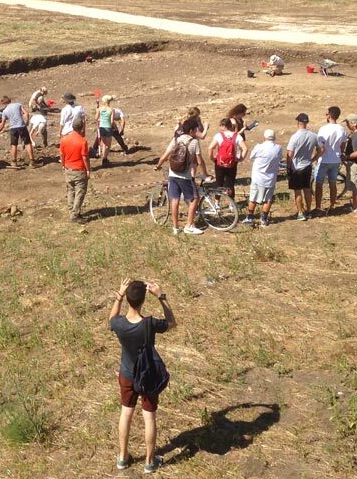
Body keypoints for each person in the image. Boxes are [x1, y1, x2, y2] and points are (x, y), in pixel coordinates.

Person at [109, 278, 176, 474]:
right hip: (148, 377)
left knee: (126, 413)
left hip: (127, 374)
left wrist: (119, 296)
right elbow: (172, 323)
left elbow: (111, 319)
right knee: (149, 418)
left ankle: (122, 457)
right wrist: (161, 296)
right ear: (143, 300)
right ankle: (149, 461)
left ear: (128, 299)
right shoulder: (149, 324)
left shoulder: (119, 324)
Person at [154, 118, 209, 235]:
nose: (196, 132)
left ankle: (176, 227)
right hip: (185, 176)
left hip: (172, 174)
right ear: (191, 130)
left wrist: (158, 166)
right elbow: (200, 161)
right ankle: (188, 226)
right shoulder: (194, 142)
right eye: (195, 130)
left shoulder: (176, 139)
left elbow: (164, 156)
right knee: (195, 199)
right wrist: (205, 173)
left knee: (175, 200)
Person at [244, 129, 283, 227]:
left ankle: (250, 217)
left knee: (253, 198)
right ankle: (264, 219)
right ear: (274, 138)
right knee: (268, 199)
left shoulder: (259, 147)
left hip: (258, 177)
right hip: (271, 178)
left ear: (264, 137)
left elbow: (252, 156)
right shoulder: (278, 148)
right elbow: (280, 158)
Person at [313, 106, 348, 216]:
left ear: (329, 115)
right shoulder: (342, 129)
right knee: (333, 183)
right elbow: (343, 144)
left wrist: (315, 157)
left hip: (324, 159)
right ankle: (332, 205)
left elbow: (320, 146)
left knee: (319, 184)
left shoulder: (323, 129)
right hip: (335, 160)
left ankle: (318, 206)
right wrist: (340, 152)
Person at [286, 113, 319, 221]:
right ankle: (308, 211)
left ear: (298, 123)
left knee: (297, 191)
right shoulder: (313, 136)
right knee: (307, 189)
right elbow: (321, 150)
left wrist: (288, 166)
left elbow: (290, 154)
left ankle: (300, 212)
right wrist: (313, 159)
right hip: (307, 165)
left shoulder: (295, 137)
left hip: (296, 167)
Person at [59, 116, 91, 222]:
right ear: (82, 128)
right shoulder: (82, 141)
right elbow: (85, 157)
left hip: (68, 169)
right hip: (79, 170)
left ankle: (72, 211)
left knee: (70, 191)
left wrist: (63, 165)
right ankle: (75, 214)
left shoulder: (64, 139)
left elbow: (61, 154)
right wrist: (88, 170)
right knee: (80, 192)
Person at [207, 118, 246, 198]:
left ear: (224, 126)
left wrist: (212, 158)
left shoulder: (218, 136)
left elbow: (210, 148)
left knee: (219, 183)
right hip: (232, 163)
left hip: (220, 163)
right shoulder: (237, 136)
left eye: (220, 126)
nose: (220, 128)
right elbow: (245, 148)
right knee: (230, 183)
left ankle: (217, 203)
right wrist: (240, 158)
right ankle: (232, 204)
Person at [0, 96, 36, 168]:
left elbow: (2, 124)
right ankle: (32, 162)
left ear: (3, 103)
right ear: (10, 100)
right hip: (21, 126)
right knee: (27, 143)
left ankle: (14, 162)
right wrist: (27, 122)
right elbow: (26, 113)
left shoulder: (5, 111)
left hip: (13, 128)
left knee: (14, 145)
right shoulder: (18, 105)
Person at [96, 95, 116, 166]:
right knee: (108, 145)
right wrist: (114, 128)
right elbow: (111, 121)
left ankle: (104, 158)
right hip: (108, 128)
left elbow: (96, 118)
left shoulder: (100, 109)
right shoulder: (111, 110)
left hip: (101, 128)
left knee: (103, 144)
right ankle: (104, 159)